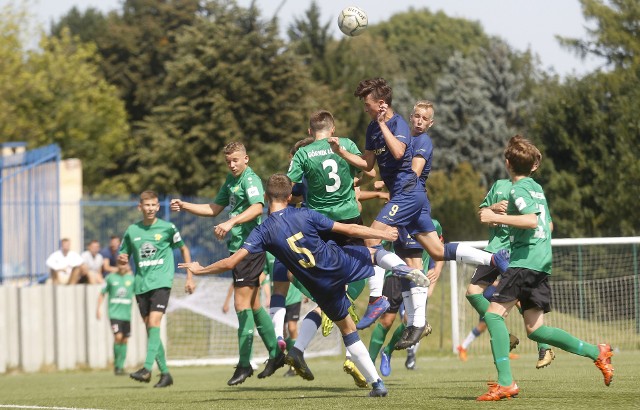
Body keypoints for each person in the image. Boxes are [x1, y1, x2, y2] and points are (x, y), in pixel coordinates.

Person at [179, 173, 429, 397]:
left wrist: (201, 269)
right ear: (289, 196)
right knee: (372, 254)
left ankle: (377, 384)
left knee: (348, 330)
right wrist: (383, 235)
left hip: (319, 284)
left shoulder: (263, 232)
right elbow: (349, 228)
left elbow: (232, 261)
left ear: (266, 197)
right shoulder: (304, 213)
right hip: (336, 263)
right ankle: (404, 269)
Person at [329, 81, 509, 349]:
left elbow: (400, 152)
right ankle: (493, 259)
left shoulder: (399, 124)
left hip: (407, 195)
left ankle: (378, 298)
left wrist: (381, 126)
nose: (364, 109)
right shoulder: (372, 128)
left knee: (372, 238)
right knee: (434, 252)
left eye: (367, 104)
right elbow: (368, 165)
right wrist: (341, 152)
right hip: (409, 197)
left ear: (380, 104)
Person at [476, 135, 613, 401]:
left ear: (507, 164)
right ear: (534, 166)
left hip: (524, 261)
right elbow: (546, 226)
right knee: (536, 330)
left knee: (493, 315)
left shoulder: (517, 190)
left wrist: (495, 216)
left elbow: (529, 221)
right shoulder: (537, 189)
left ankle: (506, 383)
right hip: (541, 262)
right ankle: (598, 352)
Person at [170, 141, 283, 386]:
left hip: (250, 248)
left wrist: (231, 223)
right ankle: (276, 354)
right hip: (241, 248)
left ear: (246, 159)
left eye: (235, 160)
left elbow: (257, 207)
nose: (231, 165)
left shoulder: (250, 180)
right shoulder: (231, 181)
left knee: (240, 304)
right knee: (253, 306)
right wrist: (184, 205)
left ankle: (244, 364)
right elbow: (213, 209)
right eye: (228, 161)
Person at [463, 146, 554, 368]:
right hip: (495, 248)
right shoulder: (500, 186)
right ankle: (505, 332)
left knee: (523, 298)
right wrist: (493, 209)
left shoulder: (529, 190)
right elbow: (483, 213)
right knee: (473, 292)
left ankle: (543, 347)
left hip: (516, 252)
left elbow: (541, 223)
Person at [119, 190, 194, 388]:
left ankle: (146, 368)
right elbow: (123, 254)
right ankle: (166, 374)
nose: (150, 208)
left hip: (161, 281)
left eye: (153, 205)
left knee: (154, 322)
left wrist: (189, 276)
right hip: (141, 285)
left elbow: (184, 248)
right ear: (140, 207)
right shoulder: (132, 231)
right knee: (151, 328)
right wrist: (122, 258)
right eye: (147, 205)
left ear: (158, 207)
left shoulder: (168, 228)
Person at [97, 259, 134, 375]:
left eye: (125, 264)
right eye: (120, 264)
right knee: (118, 337)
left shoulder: (131, 279)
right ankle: (117, 366)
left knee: (125, 339)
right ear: (117, 265)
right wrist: (98, 308)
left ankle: (121, 366)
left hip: (127, 315)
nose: (123, 266)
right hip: (114, 314)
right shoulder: (110, 278)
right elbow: (102, 293)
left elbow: (138, 294)